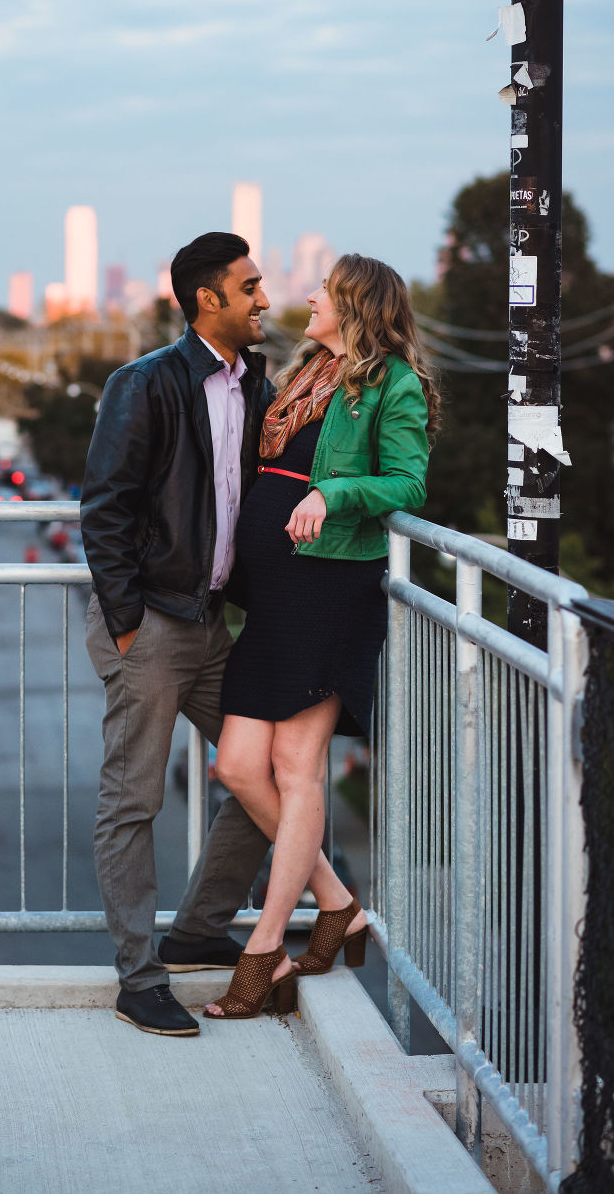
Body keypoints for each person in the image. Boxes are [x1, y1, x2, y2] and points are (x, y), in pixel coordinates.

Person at [203, 253, 438, 1020]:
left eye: (324, 292)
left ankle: (266, 949)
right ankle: (336, 902)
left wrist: (334, 492)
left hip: (331, 587)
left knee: (296, 768)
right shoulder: (301, 377)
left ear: (355, 305)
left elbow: (407, 483)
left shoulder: (391, 384)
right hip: (275, 593)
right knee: (239, 766)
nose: (306, 298)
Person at [81, 231, 276, 1037]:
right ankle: (138, 977)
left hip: (212, 626)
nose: (265, 299)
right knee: (133, 801)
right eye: (251, 286)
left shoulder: (255, 382)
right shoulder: (148, 384)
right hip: (153, 626)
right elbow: (106, 507)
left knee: (272, 775)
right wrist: (129, 624)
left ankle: (199, 928)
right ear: (208, 298)